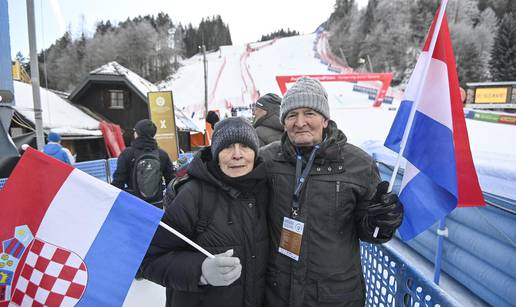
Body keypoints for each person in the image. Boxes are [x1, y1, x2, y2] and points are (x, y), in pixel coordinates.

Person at [260, 77, 403, 307]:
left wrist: (382, 221)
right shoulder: (267, 159)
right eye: (291, 115)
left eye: (309, 113)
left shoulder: (359, 164)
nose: (300, 122)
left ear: (325, 119)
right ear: (284, 121)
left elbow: (370, 232)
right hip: (279, 293)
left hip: (335, 296)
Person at [141, 117, 269, 307]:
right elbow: (150, 259)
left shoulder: (265, 190)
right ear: (216, 154)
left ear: (255, 152)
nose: (237, 154)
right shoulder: (194, 195)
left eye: (244, 146)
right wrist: (200, 271)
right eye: (227, 147)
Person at [111, 119, 174, 207]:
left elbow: (118, 181)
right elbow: (171, 179)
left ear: (137, 133)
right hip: (157, 203)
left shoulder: (127, 153)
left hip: (134, 204)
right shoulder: (162, 154)